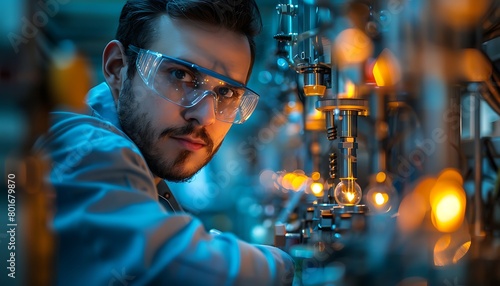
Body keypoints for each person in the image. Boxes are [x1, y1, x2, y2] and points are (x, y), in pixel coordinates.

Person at [34, 0, 295, 285]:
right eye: (180, 75)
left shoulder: (139, 165)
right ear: (118, 68)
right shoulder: (86, 146)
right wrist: (280, 263)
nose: (205, 116)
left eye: (227, 93)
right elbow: (168, 263)